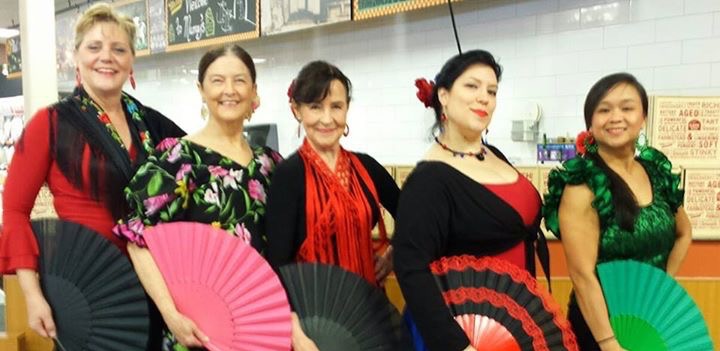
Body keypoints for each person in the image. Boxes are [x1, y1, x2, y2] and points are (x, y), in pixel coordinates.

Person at [0, 3, 184, 348]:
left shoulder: (153, 124)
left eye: (119, 49)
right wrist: (32, 293)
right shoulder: (50, 124)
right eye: (94, 47)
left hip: (156, 286)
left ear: (131, 59)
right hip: (89, 288)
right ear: (76, 57)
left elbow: (197, 166)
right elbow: (14, 212)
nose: (107, 57)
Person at [113, 44, 281, 351]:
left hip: (260, 328)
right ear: (201, 90)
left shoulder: (270, 164)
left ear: (254, 91)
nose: (229, 90)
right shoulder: (180, 159)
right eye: (217, 80)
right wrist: (170, 313)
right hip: (198, 329)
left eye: (240, 80)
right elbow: (138, 240)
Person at [393, 50, 548, 351]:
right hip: (464, 333)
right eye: (472, 86)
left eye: (492, 91)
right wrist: (458, 345)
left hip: (515, 321)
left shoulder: (497, 156)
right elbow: (411, 268)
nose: (484, 98)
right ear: (444, 96)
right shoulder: (429, 180)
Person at [543, 73, 692, 351]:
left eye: (627, 108)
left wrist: (663, 286)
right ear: (590, 122)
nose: (615, 117)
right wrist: (609, 342)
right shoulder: (584, 185)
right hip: (600, 326)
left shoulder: (656, 173)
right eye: (604, 109)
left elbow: (684, 232)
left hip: (650, 318)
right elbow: (582, 275)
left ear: (643, 117)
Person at [265, 60, 399, 351]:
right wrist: (295, 333)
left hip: (368, 316)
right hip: (314, 325)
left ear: (347, 109)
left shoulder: (367, 168)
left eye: (336, 107)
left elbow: (414, 215)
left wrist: (391, 255)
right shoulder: (289, 175)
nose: (327, 119)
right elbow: (277, 264)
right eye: (315, 107)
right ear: (296, 110)